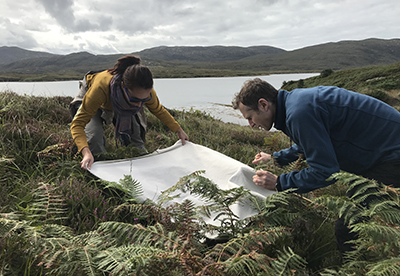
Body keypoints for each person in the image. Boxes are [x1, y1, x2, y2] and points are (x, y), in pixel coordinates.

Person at [232, 78, 400, 256]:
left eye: (250, 118)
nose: (250, 125)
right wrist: (276, 158)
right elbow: (313, 141)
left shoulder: (299, 113)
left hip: (391, 157)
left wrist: (279, 182)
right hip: (383, 153)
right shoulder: (296, 103)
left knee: (347, 228)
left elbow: (325, 171)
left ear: (263, 104)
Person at [70, 55, 189, 170]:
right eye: (135, 100)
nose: (138, 106)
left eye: (144, 101)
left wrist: (179, 130)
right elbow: (77, 124)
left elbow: (158, 110)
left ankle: (142, 163)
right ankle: (99, 165)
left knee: (135, 136)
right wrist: (86, 152)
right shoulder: (99, 89)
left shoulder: (146, 92)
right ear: (123, 86)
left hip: (121, 101)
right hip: (93, 94)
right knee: (94, 138)